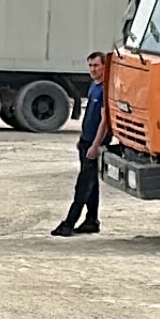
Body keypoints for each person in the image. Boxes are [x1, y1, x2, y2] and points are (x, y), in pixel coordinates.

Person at [52, 51, 108, 236]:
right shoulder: (94, 86)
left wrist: (95, 145)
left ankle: (68, 224)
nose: (93, 69)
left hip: (94, 144)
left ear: (105, 66)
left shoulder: (105, 90)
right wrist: (82, 138)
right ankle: (92, 220)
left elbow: (105, 121)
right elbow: (89, 116)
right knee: (92, 184)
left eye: (96, 65)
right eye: (90, 66)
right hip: (86, 141)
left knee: (83, 185)